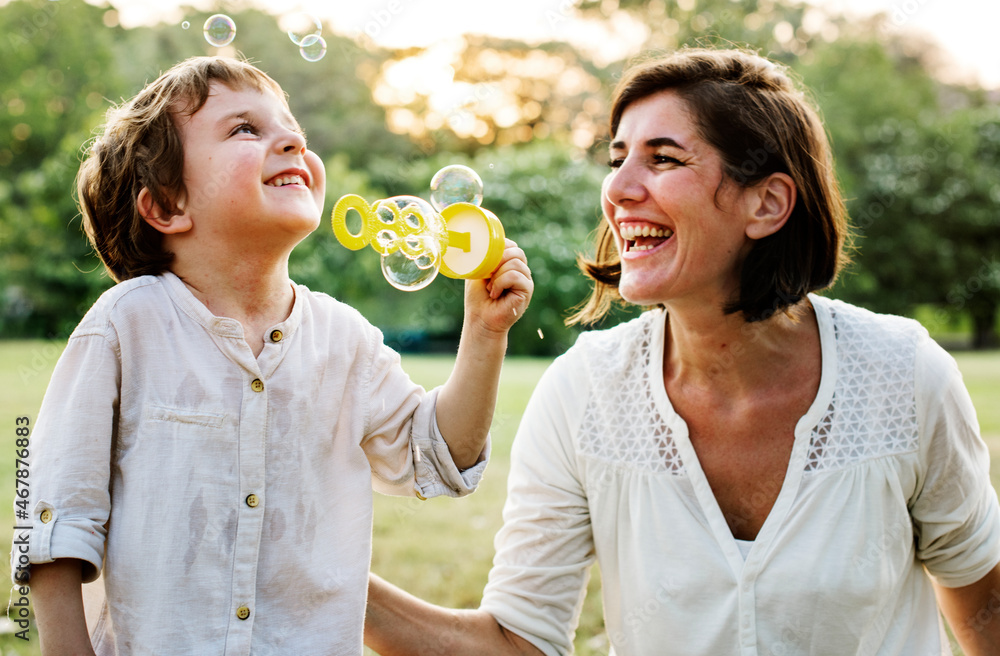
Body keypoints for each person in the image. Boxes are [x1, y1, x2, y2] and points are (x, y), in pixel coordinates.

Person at [364, 48, 1000, 655]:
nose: (618, 190)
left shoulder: (904, 377)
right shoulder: (582, 391)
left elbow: (983, 609)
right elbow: (518, 644)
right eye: (617, 160)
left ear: (768, 203)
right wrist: (310, 571)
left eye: (663, 159)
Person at [16, 56, 532, 655]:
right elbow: (54, 525)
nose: (291, 141)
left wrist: (485, 331)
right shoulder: (125, 326)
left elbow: (440, 454)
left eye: (293, 131)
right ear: (166, 206)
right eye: (244, 129)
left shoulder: (346, 339)